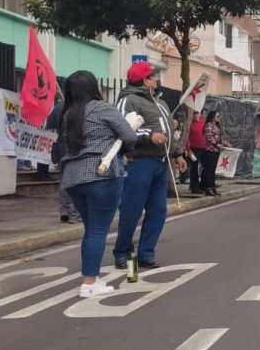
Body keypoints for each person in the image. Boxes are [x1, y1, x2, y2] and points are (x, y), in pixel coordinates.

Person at [58, 70, 138, 297]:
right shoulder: (103, 108)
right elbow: (129, 136)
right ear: (94, 87)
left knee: (91, 229)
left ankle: (91, 279)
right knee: (98, 230)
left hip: (73, 177)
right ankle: (89, 283)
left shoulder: (67, 114)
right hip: (101, 173)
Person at [113, 62, 186, 269]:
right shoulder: (128, 100)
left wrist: (177, 153)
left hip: (161, 163)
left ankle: (146, 252)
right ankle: (122, 251)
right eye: (154, 77)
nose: (158, 80)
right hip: (139, 163)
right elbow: (122, 129)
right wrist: (148, 136)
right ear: (145, 80)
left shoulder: (160, 103)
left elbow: (168, 133)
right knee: (131, 210)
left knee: (158, 211)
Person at [199, 110, 228, 197]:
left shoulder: (217, 127)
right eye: (217, 116)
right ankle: (208, 187)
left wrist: (226, 144)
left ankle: (212, 186)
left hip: (216, 151)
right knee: (209, 170)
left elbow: (220, 139)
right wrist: (217, 145)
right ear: (212, 117)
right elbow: (209, 138)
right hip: (209, 150)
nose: (219, 118)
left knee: (213, 170)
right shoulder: (209, 125)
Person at [187, 110, 206, 194]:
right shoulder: (189, 124)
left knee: (206, 167)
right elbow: (186, 138)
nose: (195, 115)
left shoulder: (203, 122)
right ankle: (194, 186)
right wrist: (189, 150)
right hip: (194, 148)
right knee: (194, 168)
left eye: (197, 113)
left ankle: (204, 184)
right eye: (194, 113)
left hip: (204, 147)